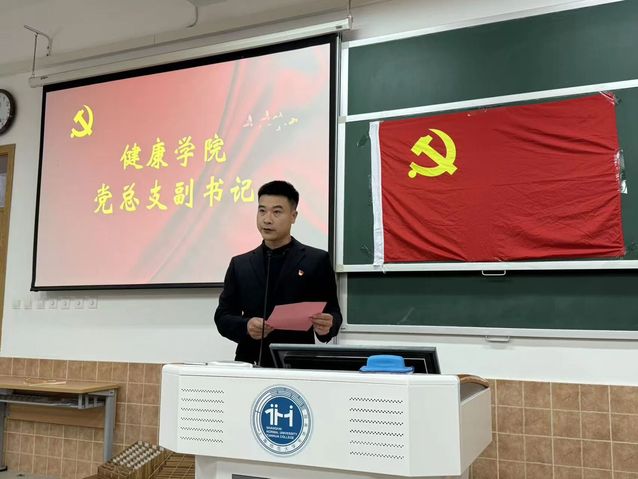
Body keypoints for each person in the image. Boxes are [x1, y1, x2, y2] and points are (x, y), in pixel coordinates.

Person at [214, 180, 342, 367]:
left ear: (293, 216)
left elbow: (333, 312)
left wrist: (328, 325)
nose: (267, 219)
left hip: (297, 363)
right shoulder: (240, 264)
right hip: (250, 362)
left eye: (277, 212)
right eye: (262, 211)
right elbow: (223, 316)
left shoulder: (316, 260)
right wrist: (246, 326)